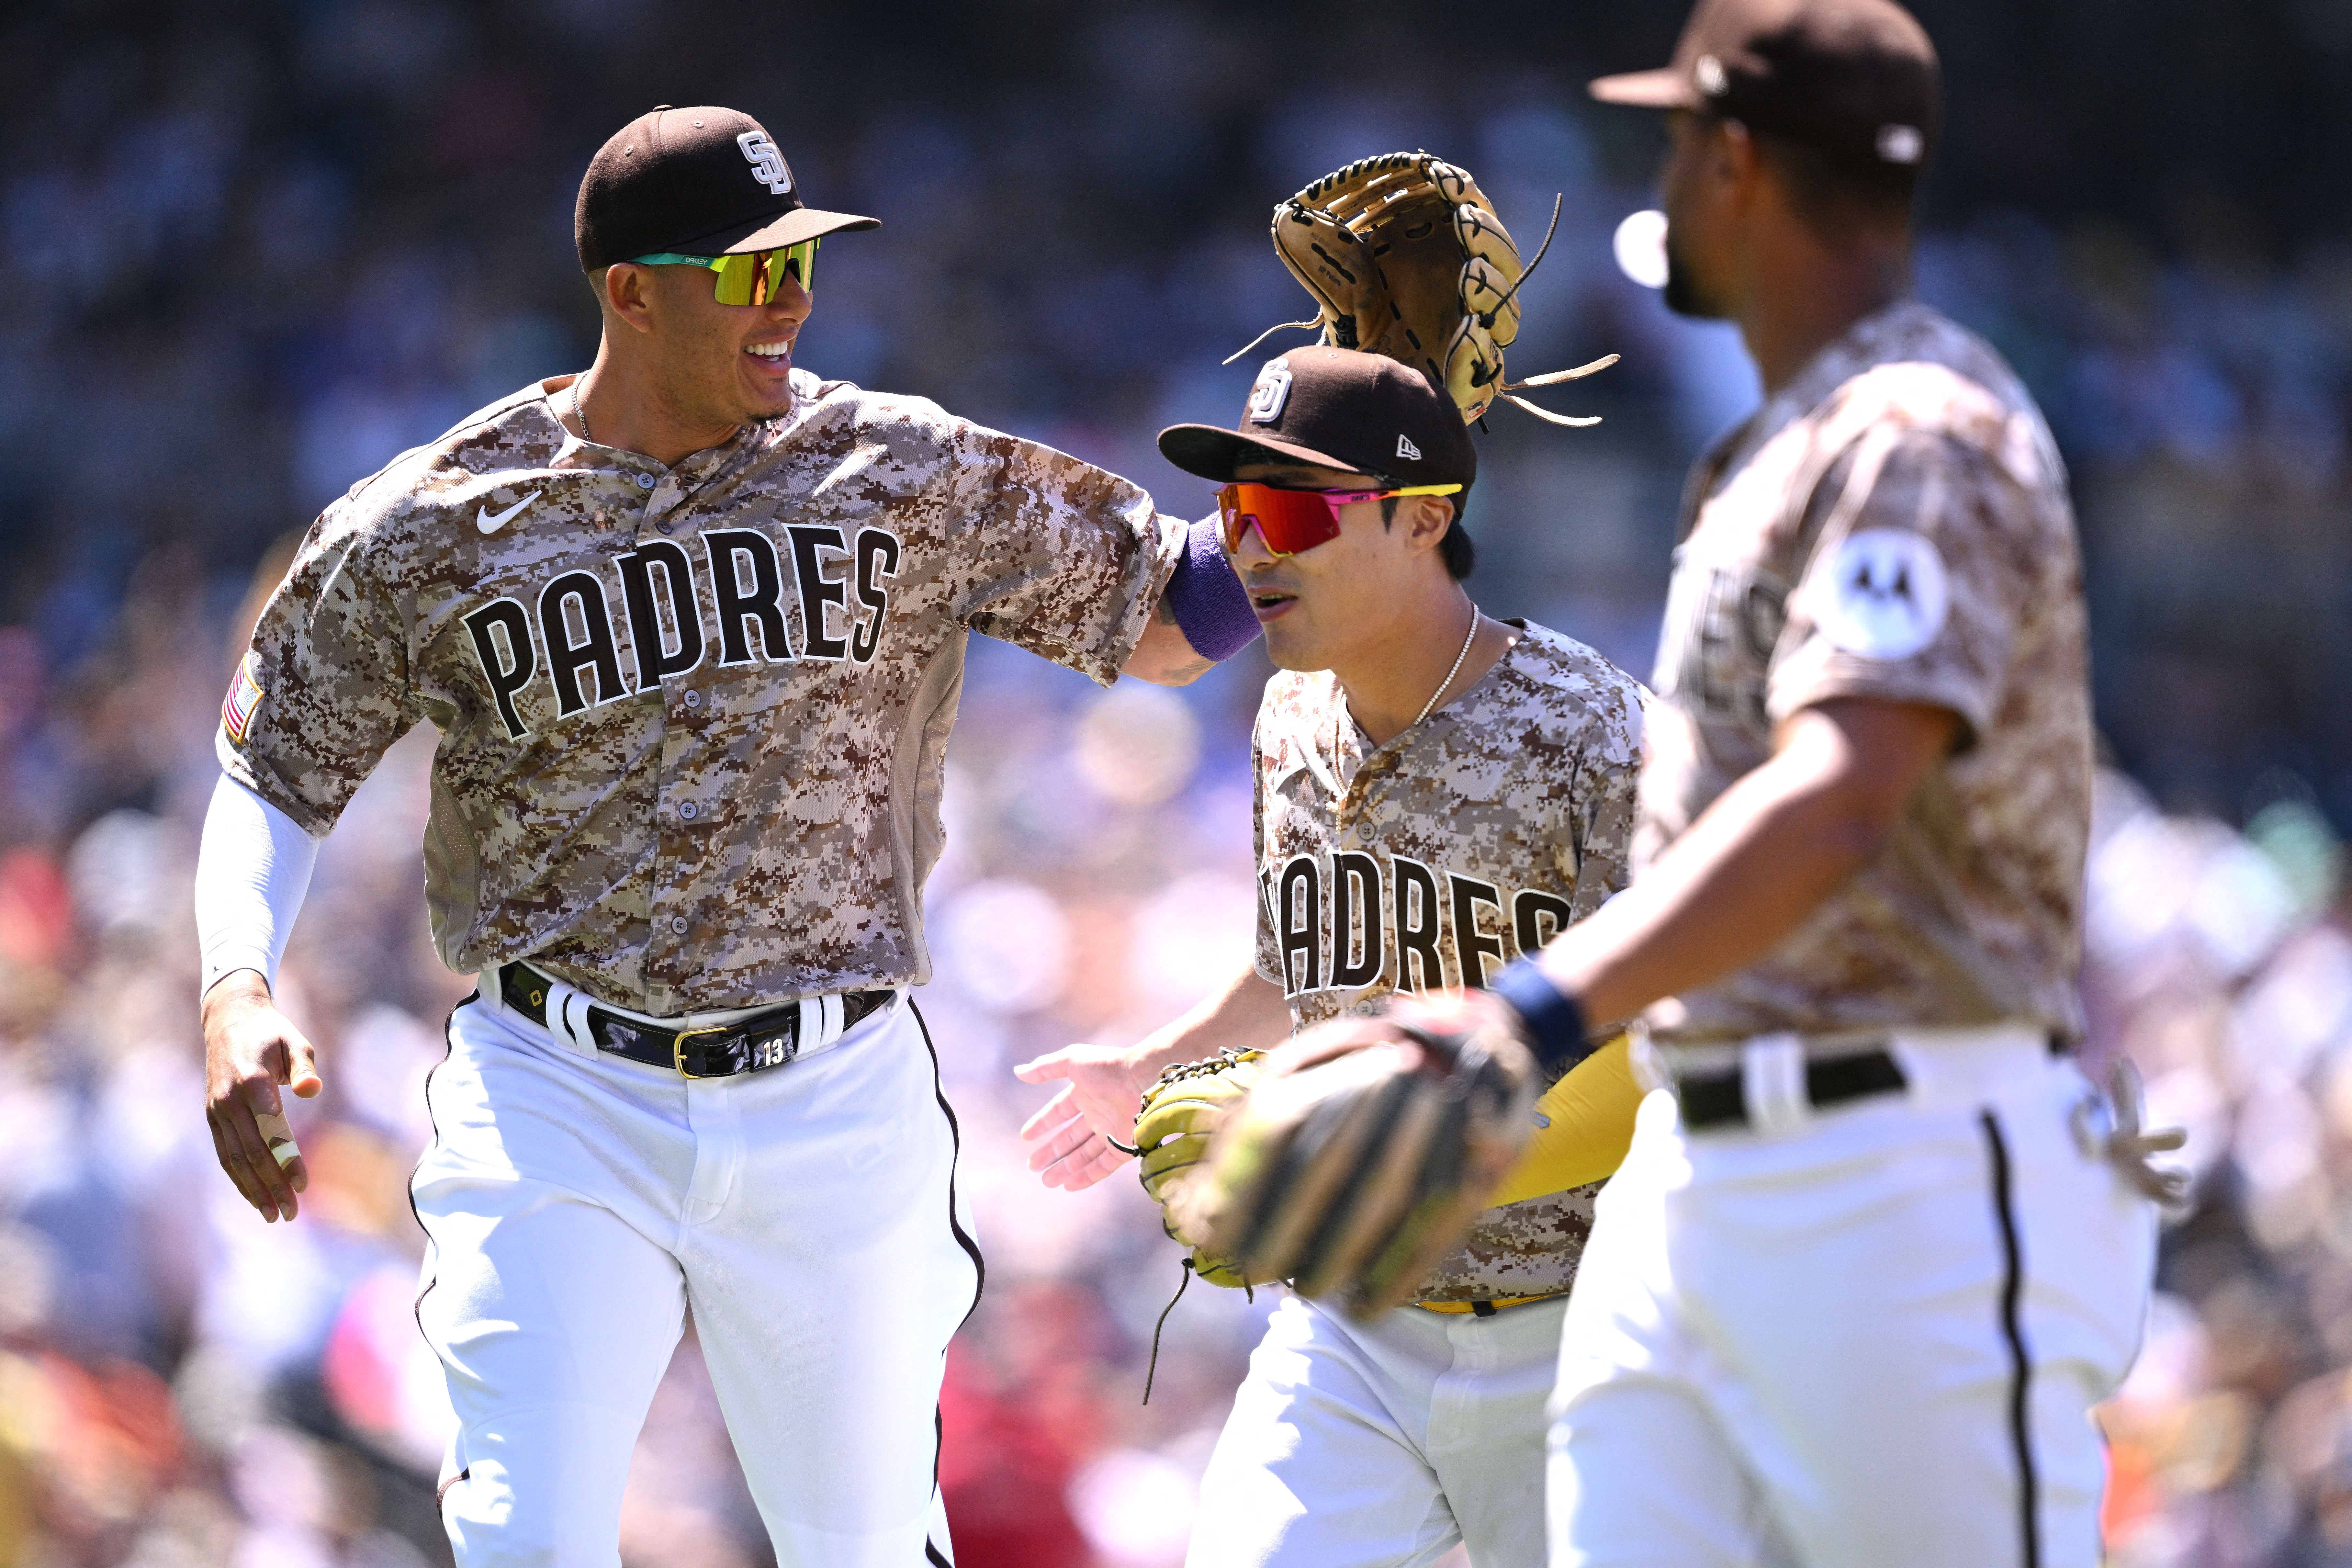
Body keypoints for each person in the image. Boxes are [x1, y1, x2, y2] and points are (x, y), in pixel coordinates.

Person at [194, 105, 1261, 1567]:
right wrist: (234, 977)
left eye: (801, 265)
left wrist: (1339, 453)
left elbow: (1171, 620)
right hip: (561, 1085)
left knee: (864, 1545)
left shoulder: (896, 465)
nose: (795, 300)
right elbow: (275, 763)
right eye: (748, 271)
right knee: (524, 1536)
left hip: (832, 1090)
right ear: (630, 290)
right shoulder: (441, 518)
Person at [1017, 345, 1649, 1568]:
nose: (1253, 547)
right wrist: (1156, 1059)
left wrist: (1386, 1151)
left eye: (1296, 509)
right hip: (1350, 1325)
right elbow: (1301, 962)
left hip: (1577, 1327)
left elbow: (1664, 1049)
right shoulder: (1287, 713)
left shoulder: (1593, 730)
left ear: (1424, 519)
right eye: (1238, 510)